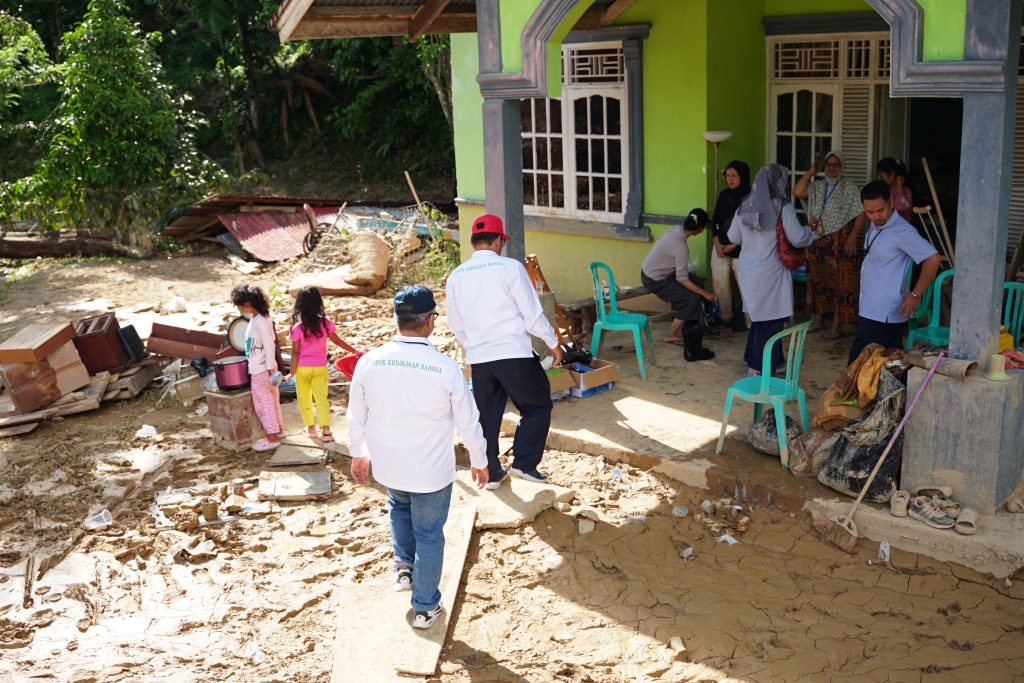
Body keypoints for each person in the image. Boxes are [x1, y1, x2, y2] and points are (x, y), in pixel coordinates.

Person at [348, 285, 488, 630]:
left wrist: (358, 455)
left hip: (389, 465)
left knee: (398, 505)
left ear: (397, 320)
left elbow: (355, 415)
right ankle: (424, 607)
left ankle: (404, 569)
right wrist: (480, 459)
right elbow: (468, 422)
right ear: (431, 321)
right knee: (429, 534)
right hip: (430, 471)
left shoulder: (369, 361)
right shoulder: (445, 368)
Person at [445, 214, 563, 488]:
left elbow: (455, 324)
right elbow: (531, 314)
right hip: (514, 353)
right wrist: (553, 342)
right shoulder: (510, 268)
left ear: (474, 242)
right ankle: (524, 463)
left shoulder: (456, 276)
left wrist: (473, 347)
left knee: (486, 415)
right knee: (537, 405)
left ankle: (493, 473)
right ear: (498, 241)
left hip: (480, 359)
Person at [728, 163, 817, 376]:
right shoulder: (782, 208)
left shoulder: (744, 206)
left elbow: (733, 238)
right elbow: (797, 238)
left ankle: (772, 361)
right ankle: (757, 368)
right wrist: (810, 231)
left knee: (761, 319)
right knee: (771, 321)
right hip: (772, 272)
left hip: (749, 271)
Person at [848, 180, 942, 364]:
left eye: (880, 210)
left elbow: (933, 259)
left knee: (858, 365)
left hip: (883, 310)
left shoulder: (903, 231)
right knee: (890, 363)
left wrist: (915, 295)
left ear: (891, 202)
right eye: (870, 212)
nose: (876, 216)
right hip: (871, 306)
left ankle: (850, 393)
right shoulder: (877, 224)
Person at [793, 151, 867, 339]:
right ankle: (818, 320)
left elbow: (861, 213)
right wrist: (811, 172)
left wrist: (853, 237)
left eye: (836, 165)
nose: (832, 168)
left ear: (841, 167)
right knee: (817, 281)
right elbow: (797, 191)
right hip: (817, 239)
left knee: (839, 284)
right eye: (829, 165)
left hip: (840, 241)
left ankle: (836, 325)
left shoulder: (849, 188)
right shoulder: (818, 186)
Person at [640, 209, 718, 362]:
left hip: (661, 271)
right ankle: (670, 335)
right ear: (700, 229)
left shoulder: (676, 229)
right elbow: (682, 279)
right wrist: (705, 294)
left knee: (698, 282)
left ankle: (691, 328)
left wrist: (700, 289)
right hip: (654, 278)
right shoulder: (681, 247)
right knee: (691, 299)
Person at [287, 286, 358, 443]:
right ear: (319, 303)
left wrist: (292, 372)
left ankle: (311, 429)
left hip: (302, 369)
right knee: (321, 399)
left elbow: (295, 353)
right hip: (320, 367)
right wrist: (353, 350)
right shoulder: (326, 323)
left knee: (304, 398)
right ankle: (326, 431)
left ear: (300, 305)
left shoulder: (297, 328)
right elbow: (337, 341)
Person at [231, 284, 283, 452]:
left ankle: (272, 438)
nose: (239, 309)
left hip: (261, 368)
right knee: (272, 400)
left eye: (239, 305)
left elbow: (269, 344)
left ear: (247, 303)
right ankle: (278, 431)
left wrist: (268, 368)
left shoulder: (259, 321)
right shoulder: (262, 318)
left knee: (263, 404)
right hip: (265, 367)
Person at [710, 160, 751, 332]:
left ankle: (752, 322)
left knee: (746, 287)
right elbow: (716, 220)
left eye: (734, 176)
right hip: (720, 246)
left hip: (742, 249)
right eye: (727, 176)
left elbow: (750, 226)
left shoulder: (750, 196)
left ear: (743, 176)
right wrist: (717, 243)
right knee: (720, 284)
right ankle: (725, 318)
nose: (730, 179)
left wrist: (734, 245)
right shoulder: (723, 194)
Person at [877, 157, 913, 222]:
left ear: (892, 175)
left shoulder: (907, 191)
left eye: (882, 176)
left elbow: (900, 207)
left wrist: (899, 187)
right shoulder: (883, 190)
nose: (880, 179)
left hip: (901, 230)